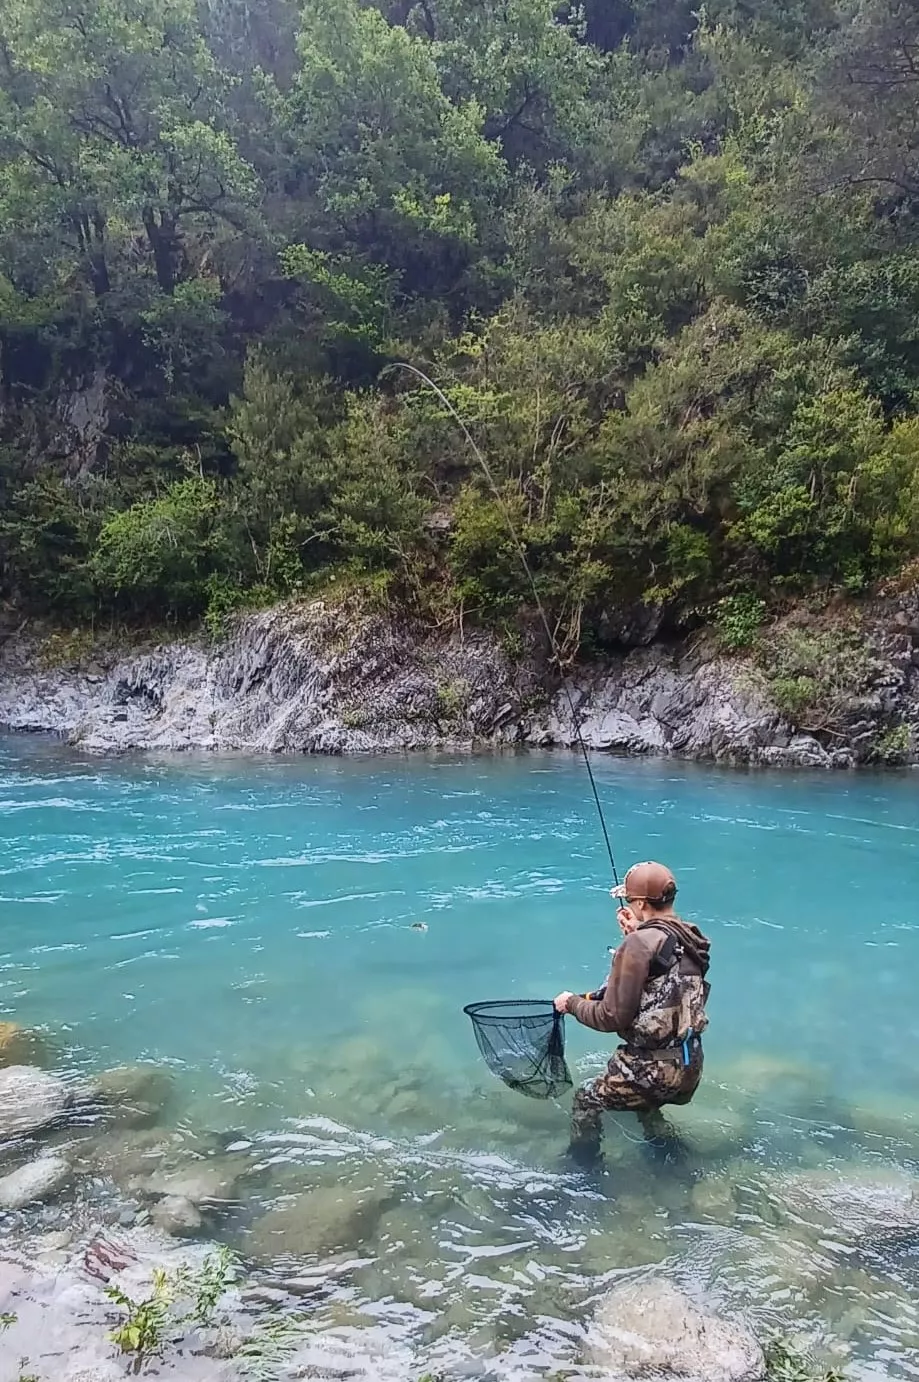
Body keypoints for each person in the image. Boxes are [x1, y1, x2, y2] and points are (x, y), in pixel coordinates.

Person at [553, 860, 710, 1164]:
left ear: (639, 902)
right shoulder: (691, 939)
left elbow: (612, 1017)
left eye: (629, 900)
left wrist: (571, 1003)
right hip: (690, 1066)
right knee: (644, 1101)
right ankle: (668, 1152)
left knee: (586, 1098)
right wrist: (637, 933)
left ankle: (582, 1171)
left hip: (652, 1070)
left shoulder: (639, 943)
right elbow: (668, 981)